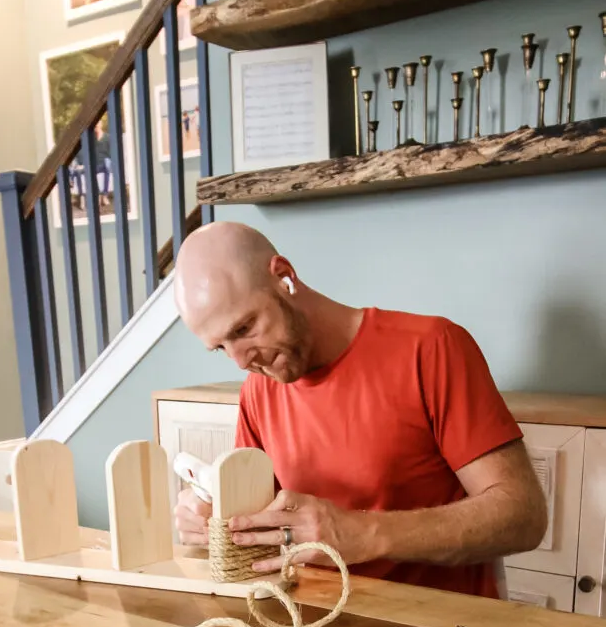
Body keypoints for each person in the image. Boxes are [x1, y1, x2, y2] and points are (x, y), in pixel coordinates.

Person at [172, 221, 547, 598]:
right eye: (221, 347)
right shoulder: (258, 389)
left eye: (244, 328)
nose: (240, 361)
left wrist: (362, 533)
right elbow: (262, 527)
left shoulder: (431, 349)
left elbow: (523, 516)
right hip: (314, 626)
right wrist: (210, 514)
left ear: (284, 277)